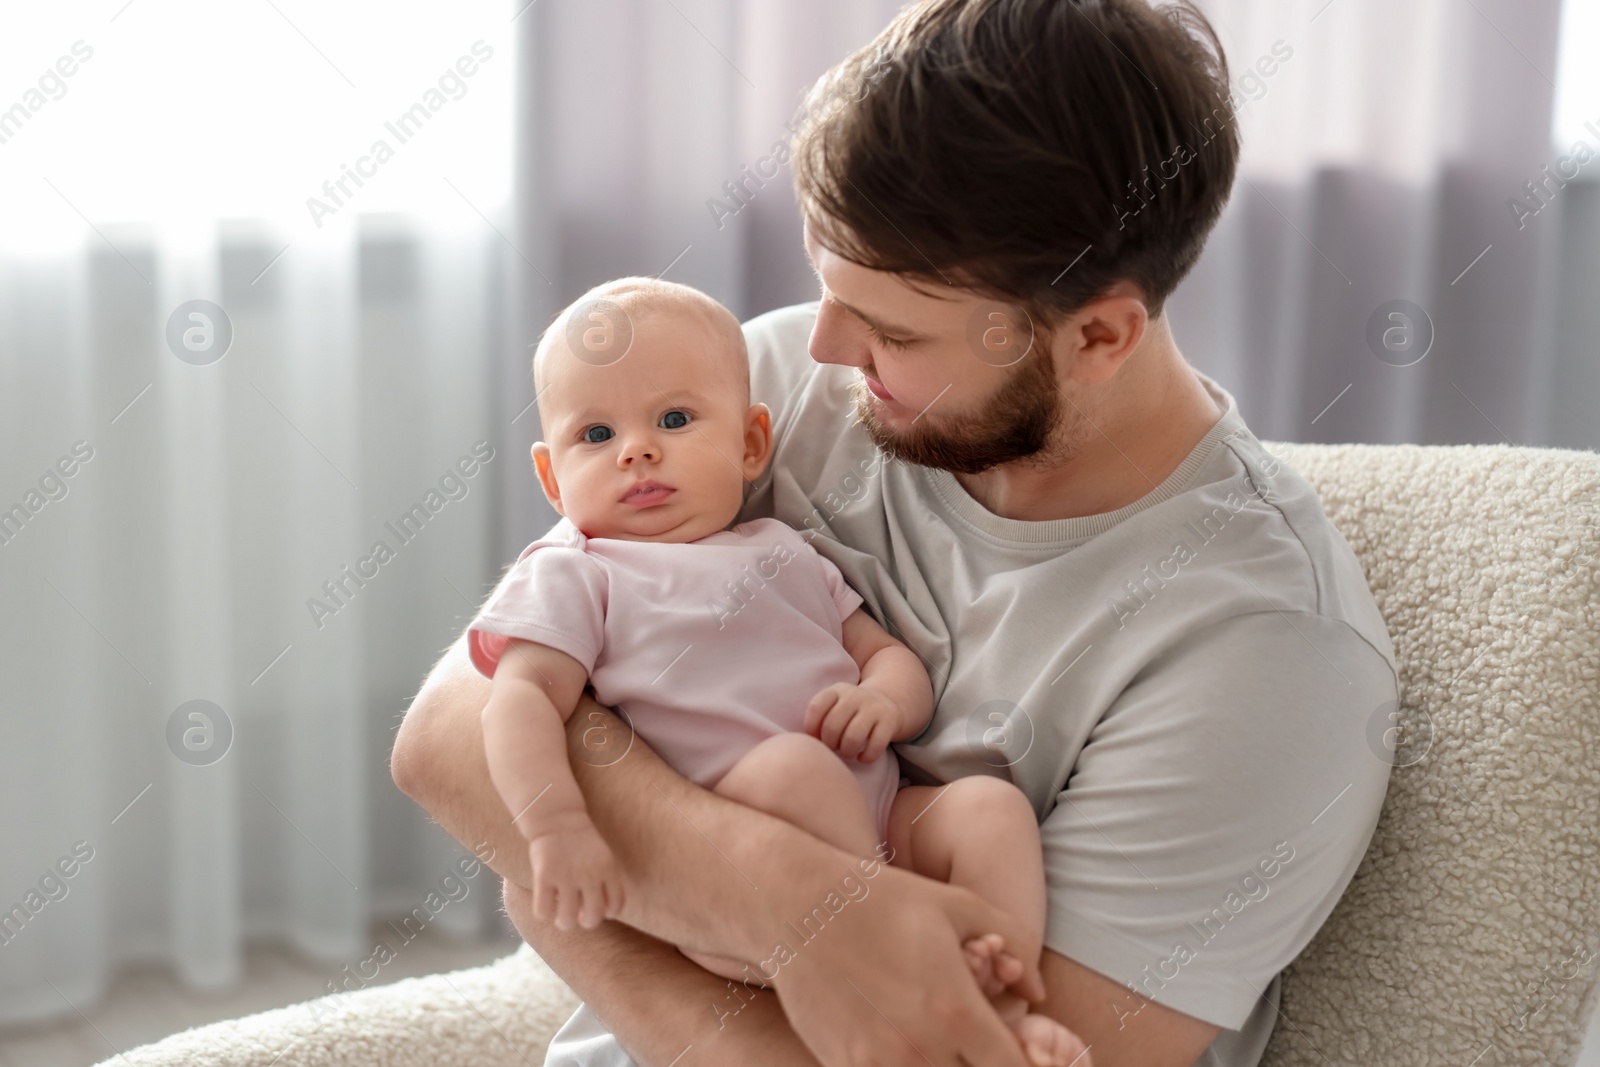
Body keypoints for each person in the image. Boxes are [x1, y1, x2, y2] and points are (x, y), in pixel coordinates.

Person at [392, 1, 1400, 1064]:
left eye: (893, 329)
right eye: (830, 288)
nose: (826, 342)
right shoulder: (780, 389)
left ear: (1098, 333)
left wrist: (588, 938)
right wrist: (786, 899)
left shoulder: (1265, 653)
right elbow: (446, 743)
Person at [469, 276, 1083, 1064]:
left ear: (752, 443)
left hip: (879, 819)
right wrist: (553, 826)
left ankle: (1001, 1004)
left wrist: (884, 702)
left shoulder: (782, 549)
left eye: (676, 418)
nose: (637, 449)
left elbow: (885, 655)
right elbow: (517, 699)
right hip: (738, 885)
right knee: (797, 766)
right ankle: (884, 966)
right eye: (594, 435)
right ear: (553, 478)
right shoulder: (579, 573)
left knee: (990, 810)